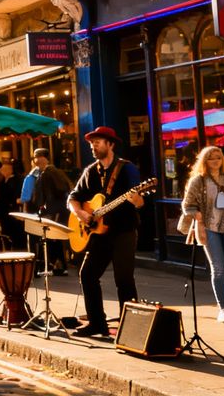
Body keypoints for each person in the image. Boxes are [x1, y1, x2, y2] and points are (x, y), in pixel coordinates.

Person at [68, 127, 144, 338]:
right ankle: (97, 323)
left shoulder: (127, 169)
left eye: (98, 142)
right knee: (87, 274)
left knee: (124, 279)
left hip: (124, 231)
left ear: (110, 144)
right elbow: (72, 198)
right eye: (92, 143)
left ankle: (131, 329)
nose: (93, 146)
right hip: (99, 233)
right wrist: (80, 213)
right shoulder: (90, 171)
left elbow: (139, 201)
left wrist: (137, 199)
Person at [181, 146, 224, 323]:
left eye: (218, 158)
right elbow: (187, 205)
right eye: (211, 158)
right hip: (209, 228)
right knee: (218, 269)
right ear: (204, 161)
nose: (215, 161)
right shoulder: (198, 180)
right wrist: (197, 216)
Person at [28, 148, 72, 275]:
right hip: (60, 210)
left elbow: (47, 195)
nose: (36, 160)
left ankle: (53, 266)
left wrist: (46, 210)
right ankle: (60, 267)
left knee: (52, 239)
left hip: (54, 211)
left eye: (37, 157)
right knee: (56, 238)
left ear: (41, 159)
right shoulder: (55, 172)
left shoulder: (47, 173)